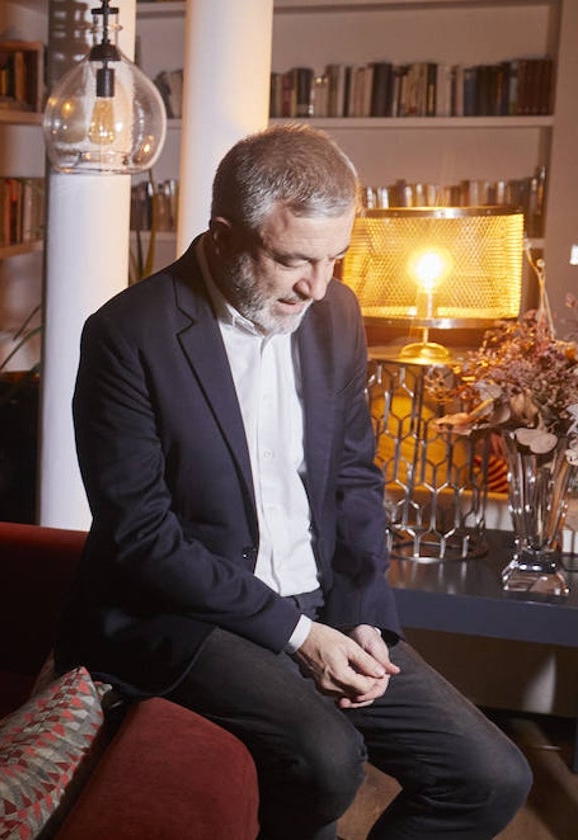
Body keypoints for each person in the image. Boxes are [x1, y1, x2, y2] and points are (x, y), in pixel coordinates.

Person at [53, 123, 532, 839]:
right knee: (327, 759)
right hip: (183, 616)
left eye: (335, 258)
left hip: (325, 603)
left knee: (493, 777)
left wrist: (362, 612)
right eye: (291, 260)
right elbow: (140, 538)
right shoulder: (127, 333)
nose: (316, 285)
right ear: (222, 235)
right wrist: (300, 635)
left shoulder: (334, 312)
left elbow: (353, 474)